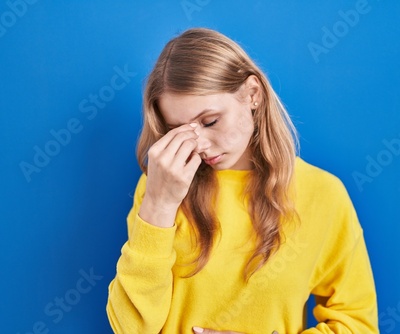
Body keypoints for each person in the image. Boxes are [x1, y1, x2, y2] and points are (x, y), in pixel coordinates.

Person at [106, 27, 378, 334]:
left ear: (252, 94)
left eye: (210, 121)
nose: (200, 145)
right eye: (178, 130)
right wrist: (158, 204)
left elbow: (357, 325)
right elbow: (130, 328)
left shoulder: (322, 194)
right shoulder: (161, 188)